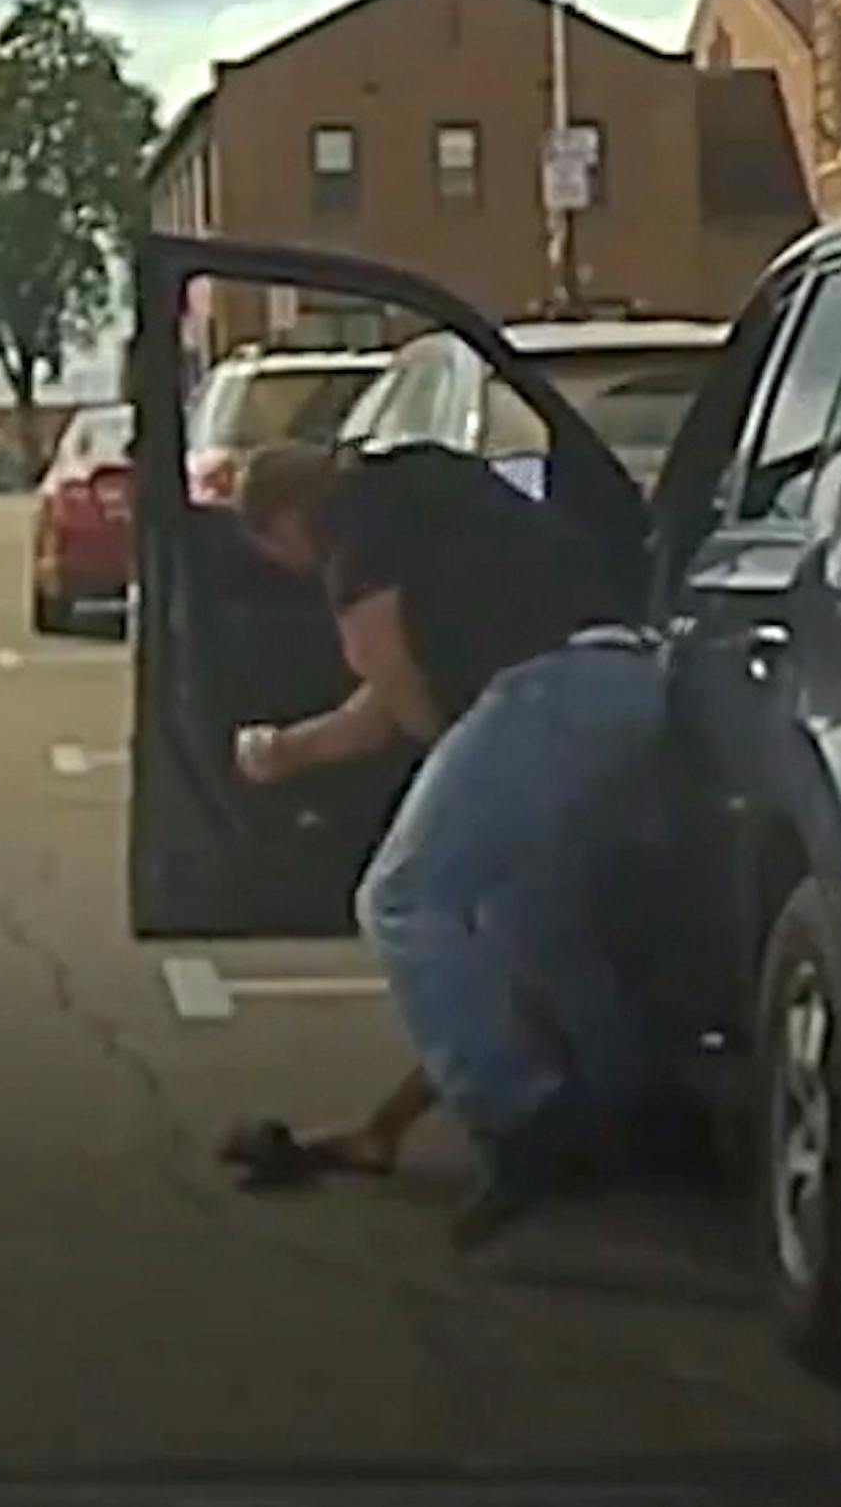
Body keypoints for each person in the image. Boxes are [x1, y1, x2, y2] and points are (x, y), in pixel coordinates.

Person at [220, 439, 670, 1249]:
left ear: (288, 519)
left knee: (403, 897)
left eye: (275, 550)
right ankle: (620, 1106)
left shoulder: (352, 542)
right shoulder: (430, 475)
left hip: (547, 695)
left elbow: (397, 697)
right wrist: (286, 751)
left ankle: (520, 1118)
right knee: (519, 913)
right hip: (634, 682)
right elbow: (377, 704)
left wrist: (444, 763)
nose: (287, 569)